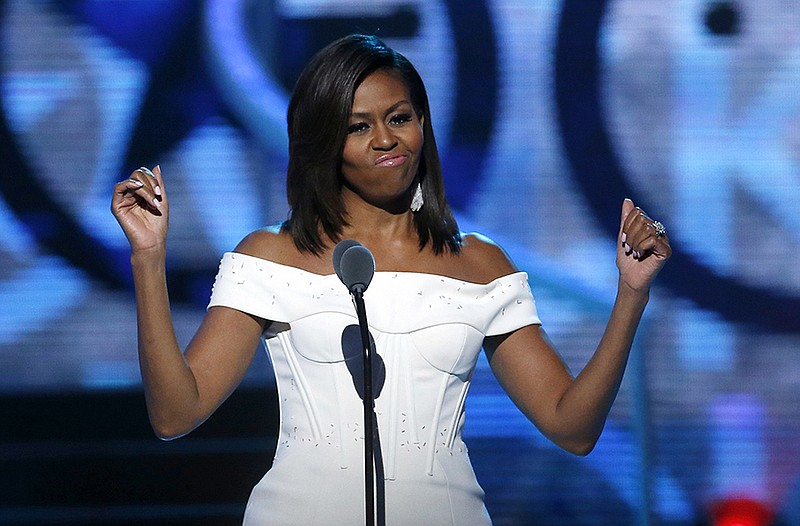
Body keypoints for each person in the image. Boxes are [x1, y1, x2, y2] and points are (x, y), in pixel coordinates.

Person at [111, 34, 671, 525]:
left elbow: (572, 427)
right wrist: (148, 258)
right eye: (358, 127)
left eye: (398, 118)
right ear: (325, 143)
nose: (386, 139)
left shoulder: (480, 266)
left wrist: (630, 294)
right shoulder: (271, 256)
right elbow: (175, 413)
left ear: (422, 123)